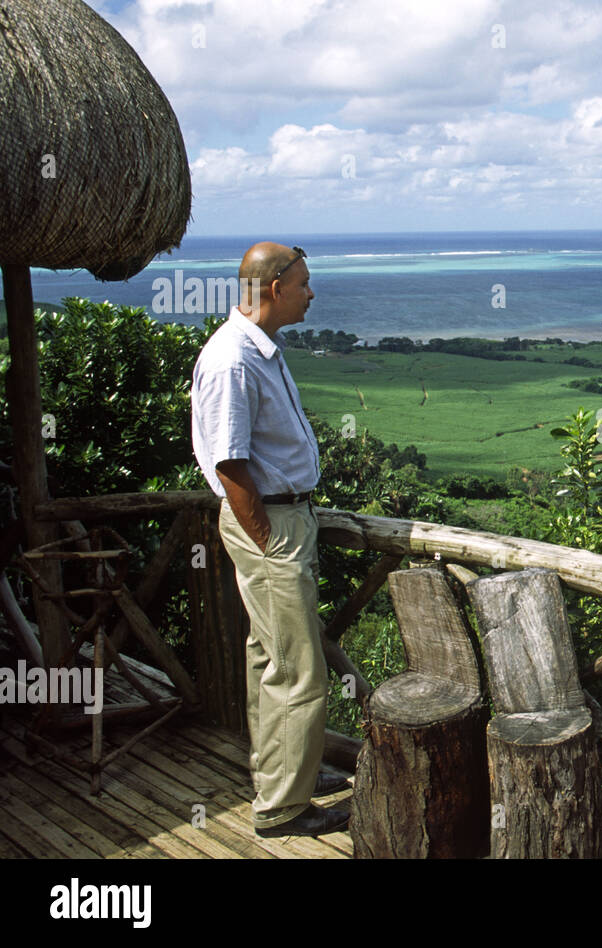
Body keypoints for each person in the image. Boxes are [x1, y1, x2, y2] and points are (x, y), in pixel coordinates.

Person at [190, 242, 349, 838]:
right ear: (276, 287)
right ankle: (283, 807)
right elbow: (230, 466)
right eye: (305, 283)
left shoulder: (261, 350)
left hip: (283, 521)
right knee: (299, 669)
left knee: (271, 657)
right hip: (271, 528)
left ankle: (286, 773)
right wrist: (266, 541)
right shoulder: (234, 359)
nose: (312, 294)